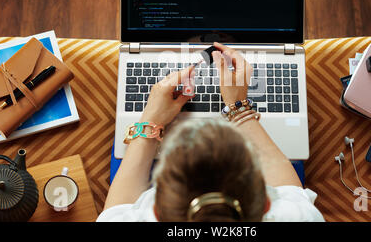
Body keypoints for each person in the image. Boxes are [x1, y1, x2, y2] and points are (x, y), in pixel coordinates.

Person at [97, 42, 324, 222]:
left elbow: (115, 212)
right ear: (267, 203)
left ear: (156, 211)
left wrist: (150, 120)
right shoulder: (301, 217)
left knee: (123, 147)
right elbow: (291, 192)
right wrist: (239, 109)